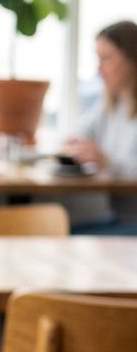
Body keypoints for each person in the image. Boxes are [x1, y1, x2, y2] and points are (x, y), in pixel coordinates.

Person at [62, 19, 137, 234]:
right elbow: (82, 131)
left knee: (67, 236)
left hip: (132, 226)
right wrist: (77, 145)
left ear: (132, 59)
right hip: (118, 218)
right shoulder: (110, 103)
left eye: (106, 58)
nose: (99, 68)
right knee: (62, 231)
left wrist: (108, 162)